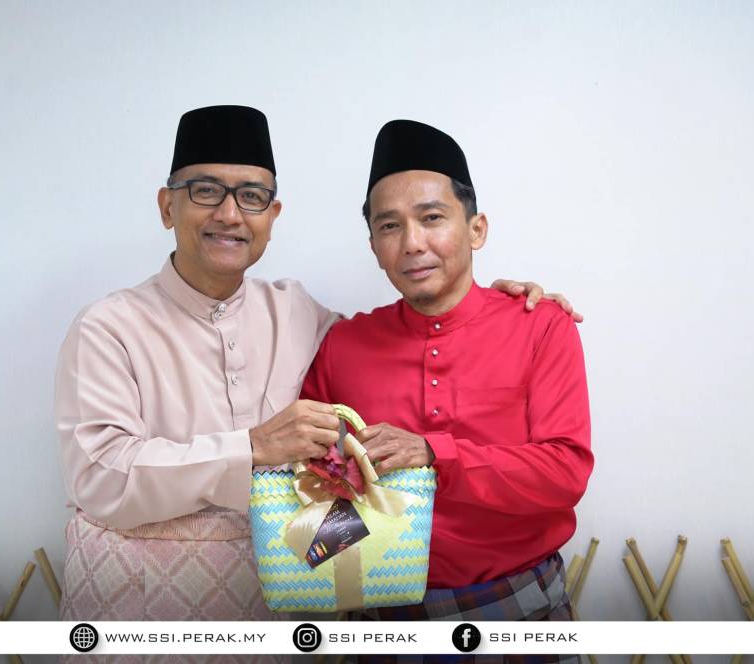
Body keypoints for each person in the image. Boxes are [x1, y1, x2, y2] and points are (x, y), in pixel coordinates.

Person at [54, 105, 579, 651]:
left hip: (291, 621)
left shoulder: (301, 315)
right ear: (168, 206)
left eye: (252, 196)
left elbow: (428, 331)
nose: (230, 214)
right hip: (139, 618)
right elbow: (98, 478)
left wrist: (504, 308)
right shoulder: (108, 327)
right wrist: (253, 450)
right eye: (206, 191)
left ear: (272, 214)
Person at [300, 120, 593, 662]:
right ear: (374, 247)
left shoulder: (541, 326)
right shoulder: (344, 344)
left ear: (476, 229)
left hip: (520, 611)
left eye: (432, 218)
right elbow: (309, 486)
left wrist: (434, 454)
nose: (412, 243)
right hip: (385, 624)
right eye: (390, 226)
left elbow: (565, 473)